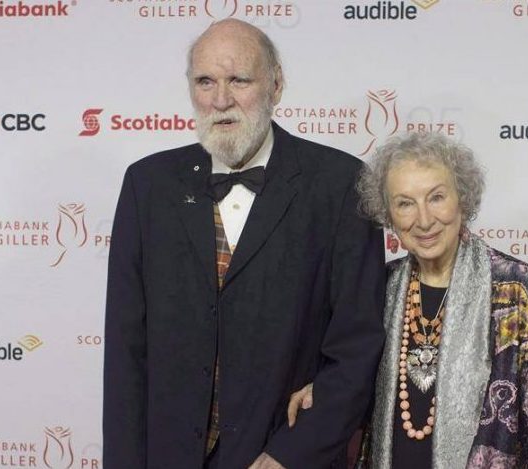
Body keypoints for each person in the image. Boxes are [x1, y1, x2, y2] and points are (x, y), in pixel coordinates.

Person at [103, 19, 386, 469]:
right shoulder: (147, 185)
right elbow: (125, 352)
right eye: (205, 81)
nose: (220, 100)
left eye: (239, 79)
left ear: (276, 85)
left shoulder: (340, 185)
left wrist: (291, 454)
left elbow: (357, 348)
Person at [288, 132, 528, 468]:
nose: (425, 220)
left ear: (462, 198)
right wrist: (323, 392)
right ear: (388, 214)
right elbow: (354, 380)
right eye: (405, 203)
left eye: (437, 197)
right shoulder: (378, 287)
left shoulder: (515, 289)